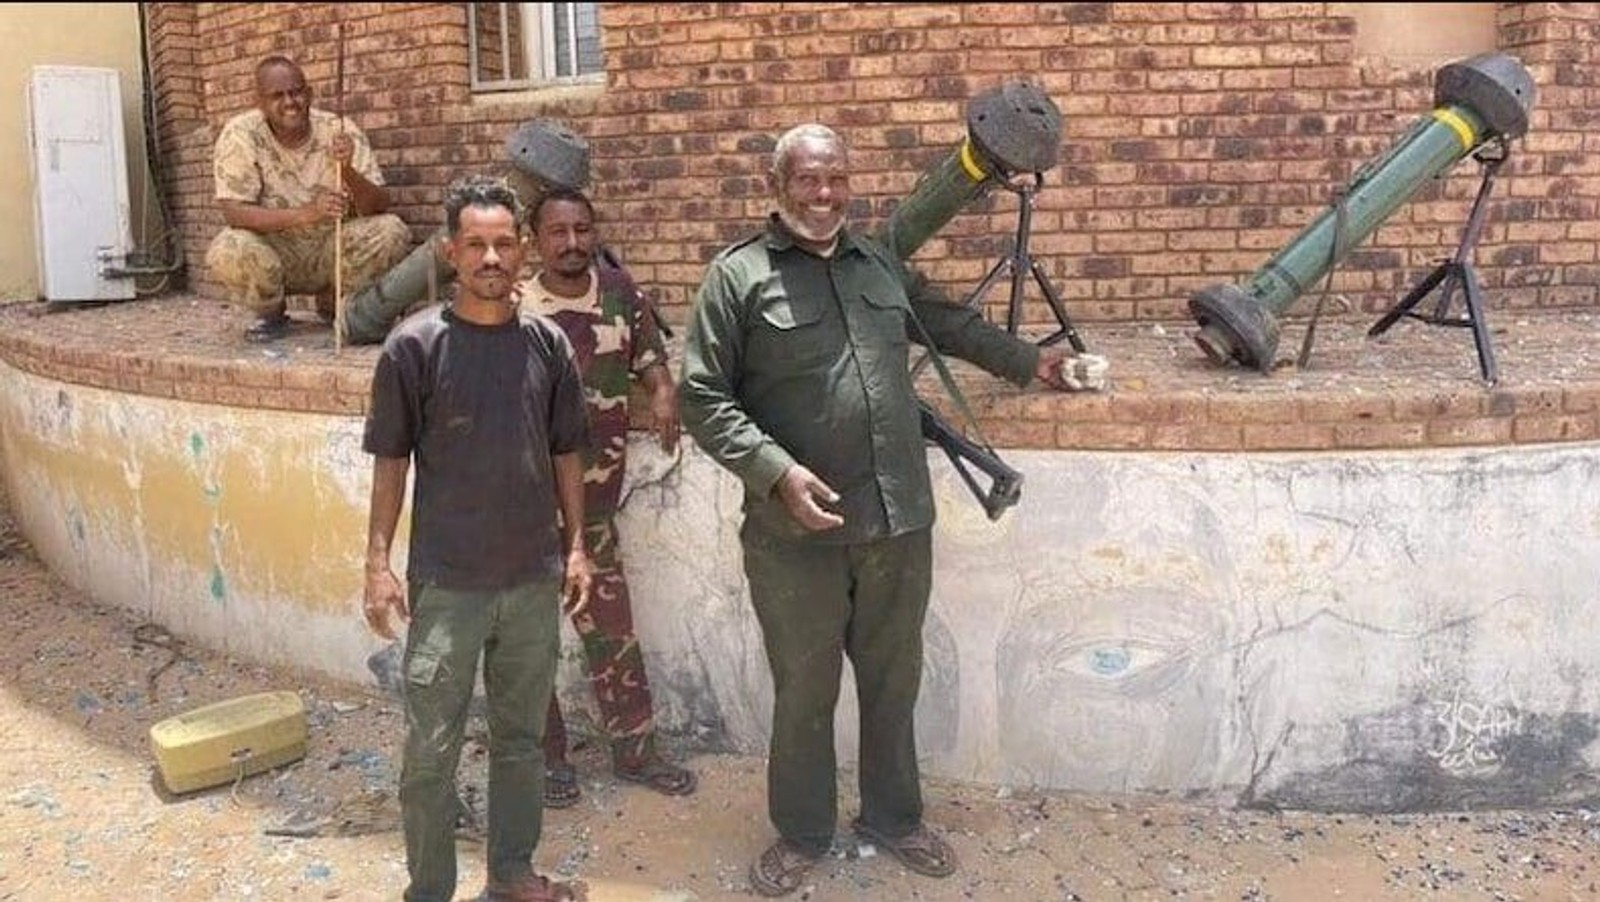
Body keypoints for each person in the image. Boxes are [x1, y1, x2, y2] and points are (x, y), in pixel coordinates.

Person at [677, 123, 1094, 897]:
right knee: (805, 690)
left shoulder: (878, 264)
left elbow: (949, 324)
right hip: (793, 535)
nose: (824, 194)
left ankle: (894, 819)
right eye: (808, 179)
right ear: (778, 186)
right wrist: (775, 472)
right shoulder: (738, 277)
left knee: (893, 682)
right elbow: (701, 395)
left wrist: (1031, 362)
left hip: (898, 521)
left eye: (836, 178)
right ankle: (802, 831)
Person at [362, 174, 591, 902]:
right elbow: (391, 461)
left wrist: (576, 548)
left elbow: (566, 452)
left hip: (530, 581)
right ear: (449, 252)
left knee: (521, 741)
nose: (492, 258)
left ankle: (512, 875)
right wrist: (377, 564)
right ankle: (429, 890)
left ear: (522, 250)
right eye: (476, 245)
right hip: (448, 586)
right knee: (431, 751)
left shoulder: (547, 345)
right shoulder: (413, 347)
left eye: (504, 243)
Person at [516, 188, 697, 808]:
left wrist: (663, 391)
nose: (572, 243)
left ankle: (636, 754)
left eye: (582, 230)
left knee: (614, 634)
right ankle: (547, 759)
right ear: (535, 241)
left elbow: (650, 358)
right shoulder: (515, 309)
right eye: (558, 232)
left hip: (593, 516)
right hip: (524, 514)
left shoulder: (619, 292)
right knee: (527, 643)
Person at [207, 55, 410, 342]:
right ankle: (270, 311)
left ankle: (335, 298)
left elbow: (378, 205)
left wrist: (347, 170)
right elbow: (234, 212)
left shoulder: (339, 129)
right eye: (277, 96)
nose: (290, 102)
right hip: (276, 249)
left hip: (331, 247)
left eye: (296, 92)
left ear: (310, 94)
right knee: (228, 247)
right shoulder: (240, 134)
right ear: (259, 102)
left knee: (391, 230)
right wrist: (308, 213)